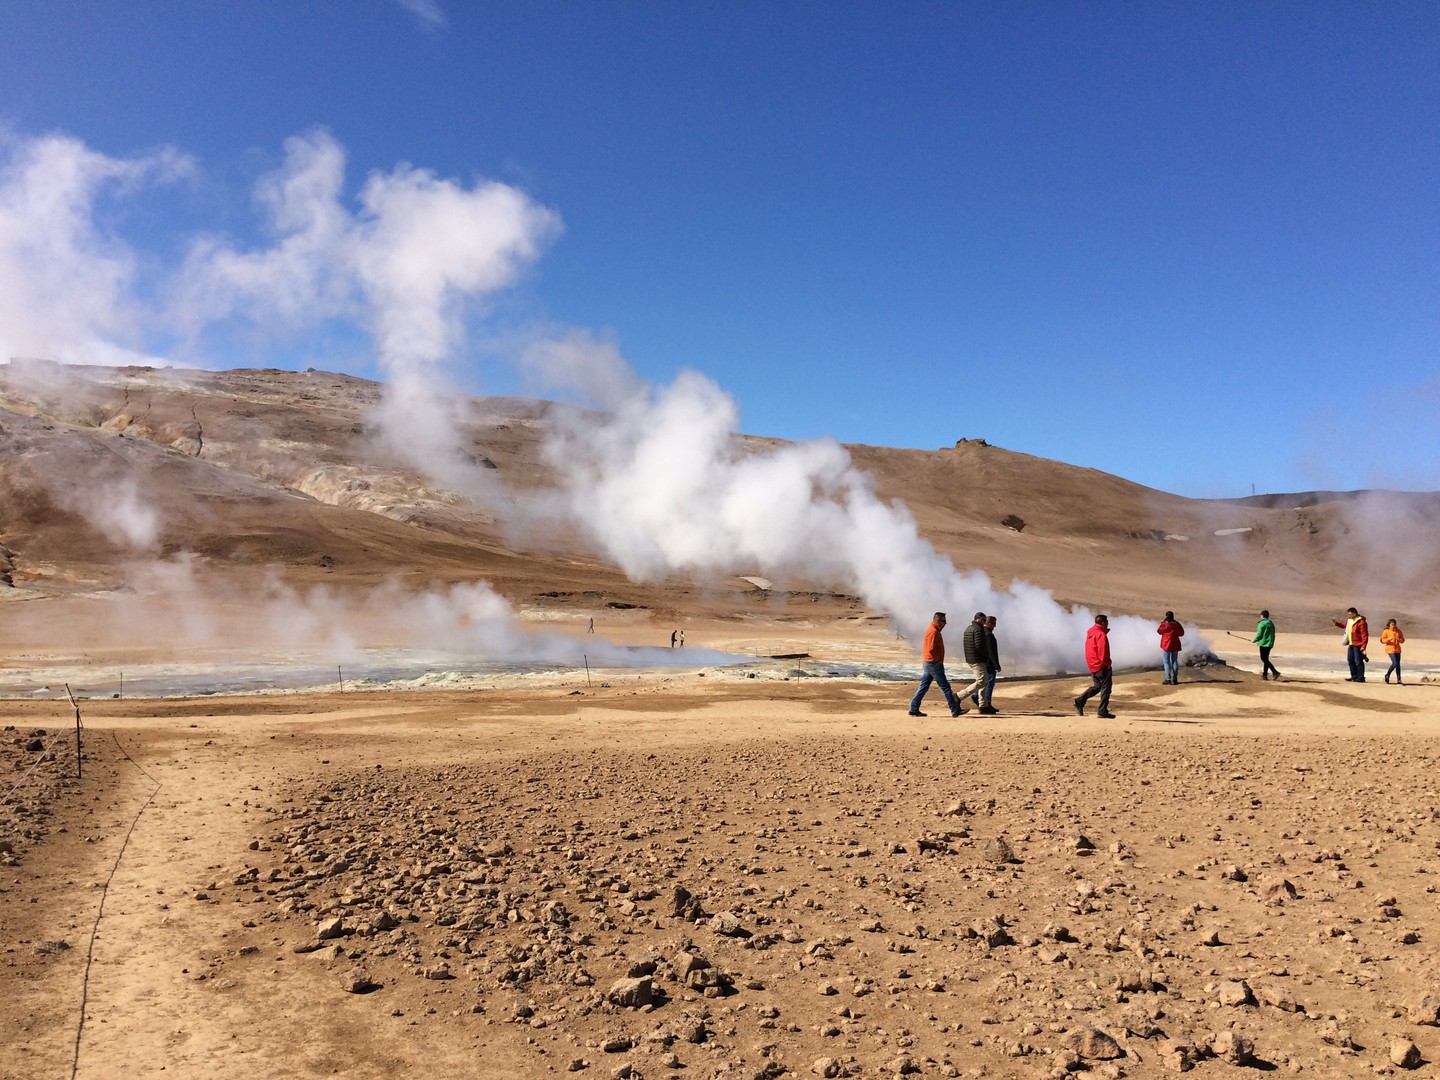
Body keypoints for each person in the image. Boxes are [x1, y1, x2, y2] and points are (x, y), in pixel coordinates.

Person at [908, 612, 967, 718]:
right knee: (946, 687)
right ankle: (955, 709)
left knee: (924, 687)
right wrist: (938, 660)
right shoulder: (933, 631)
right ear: (938, 621)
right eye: (944, 621)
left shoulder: (933, 630)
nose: (945, 624)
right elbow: (931, 649)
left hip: (929, 663)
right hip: (933, 663)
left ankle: (913, 708)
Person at [1074, 614, 1116, 718]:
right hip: (1101, 664)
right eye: (1107, 622)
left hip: (1093, 664)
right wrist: (1107, 663)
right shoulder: (1101, 634)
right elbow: (1102, 651)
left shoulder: (1091, 633)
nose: (1108, 624)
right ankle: (1102, 711)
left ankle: (1079, 701)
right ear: (1103, 623)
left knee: (1097, 687)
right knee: (1106, 688)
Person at [970, 614, 1000, 715]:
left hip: (983, 661)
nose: (995, 626)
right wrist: (996, 664)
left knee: (982, 681)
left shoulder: (982, 632)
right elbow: (991, 652)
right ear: (989, 623)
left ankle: (978, 697)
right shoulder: (988, 634)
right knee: (989, 683)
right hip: (988, 663)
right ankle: (986, 704)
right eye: (994, 624)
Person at [1332, 607, 1369, 682]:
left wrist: (1363, 646)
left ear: (1354, 613)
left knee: (1358, 661)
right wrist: (1336, 623)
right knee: (1350, 660)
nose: (1348, 616)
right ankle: (1354, 676)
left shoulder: (1361, 622)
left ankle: (1361, 677)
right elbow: (1344, 626)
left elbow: (1364, 634)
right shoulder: (1350, 621)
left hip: (1358, 644)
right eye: (1348, 614)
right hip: (1351, 643)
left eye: (1350, 614)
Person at [1157, 611, 1184, 685]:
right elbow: (1182, 633)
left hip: (1166, 645)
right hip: (1175, 645)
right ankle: (1175, 679)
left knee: (1166, 662)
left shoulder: (1165, 624)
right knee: (1174, 661)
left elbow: (1159, 631)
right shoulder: (1177, 624)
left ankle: (1168, 679)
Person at [1253, 610, 1281, 681]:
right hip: (1269, 643)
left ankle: (1275, 672)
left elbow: (1259, 633)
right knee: (1266, 659)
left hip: (1263, 643)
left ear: (1262, 615)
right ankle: (1264, 675)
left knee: (1264, 659)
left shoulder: (1262, 623)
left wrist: (1255, 640)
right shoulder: (1271, 623)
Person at [1381, 619, 1405, 684]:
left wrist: (1399, 639)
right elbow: (1382, 640)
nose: (1393, 626)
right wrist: (1388, 640)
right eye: (1392, 624)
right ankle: (1387, 674)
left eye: (1394, 624)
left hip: (1397, 649)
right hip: (1390, 649)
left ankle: (1399, 679)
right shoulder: (1386, 631)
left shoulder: (1398, 631)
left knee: (1398, 665)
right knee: (1395, 663)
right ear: (1389, 624)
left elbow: (1403, 640)